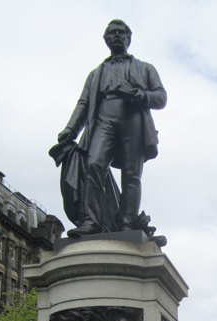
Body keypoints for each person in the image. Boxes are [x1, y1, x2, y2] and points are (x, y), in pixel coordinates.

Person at [56, 19, 167, 237]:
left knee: (131, 174)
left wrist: (139, 95)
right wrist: (71, 129)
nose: (117, 36)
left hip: (133, 118)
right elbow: (84, 103)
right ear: (106, 40)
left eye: (121, 32)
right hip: (103, 119)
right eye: (113, 33)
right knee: (94, 164)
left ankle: (127, 222)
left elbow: (161, 97)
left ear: (129, 38)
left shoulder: (145, 68)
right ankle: (92, 221)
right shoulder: (96, 73)